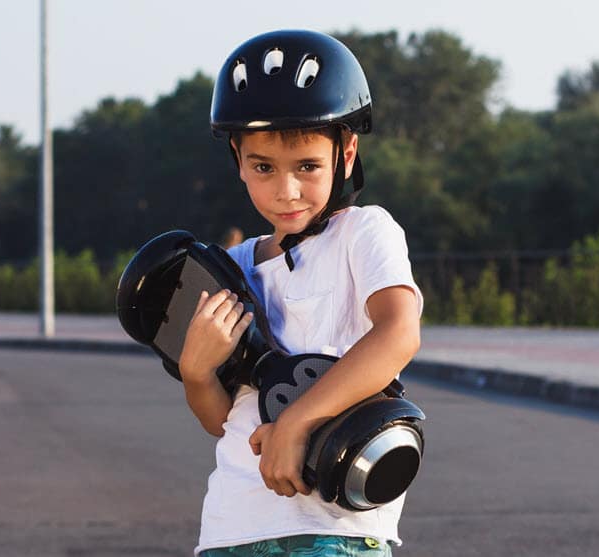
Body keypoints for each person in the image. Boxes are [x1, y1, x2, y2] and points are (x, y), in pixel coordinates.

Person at [178, 30, 424, 556]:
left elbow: (398, 333)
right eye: (263, 167)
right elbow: (221, 421)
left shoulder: (363, 232)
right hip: (231, 527)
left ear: (346, 152)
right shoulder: (232, 267)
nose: (285, 190)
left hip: (333, 532)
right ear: (237, 159)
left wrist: (298, 420)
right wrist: (197, 373)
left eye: (307, 167)